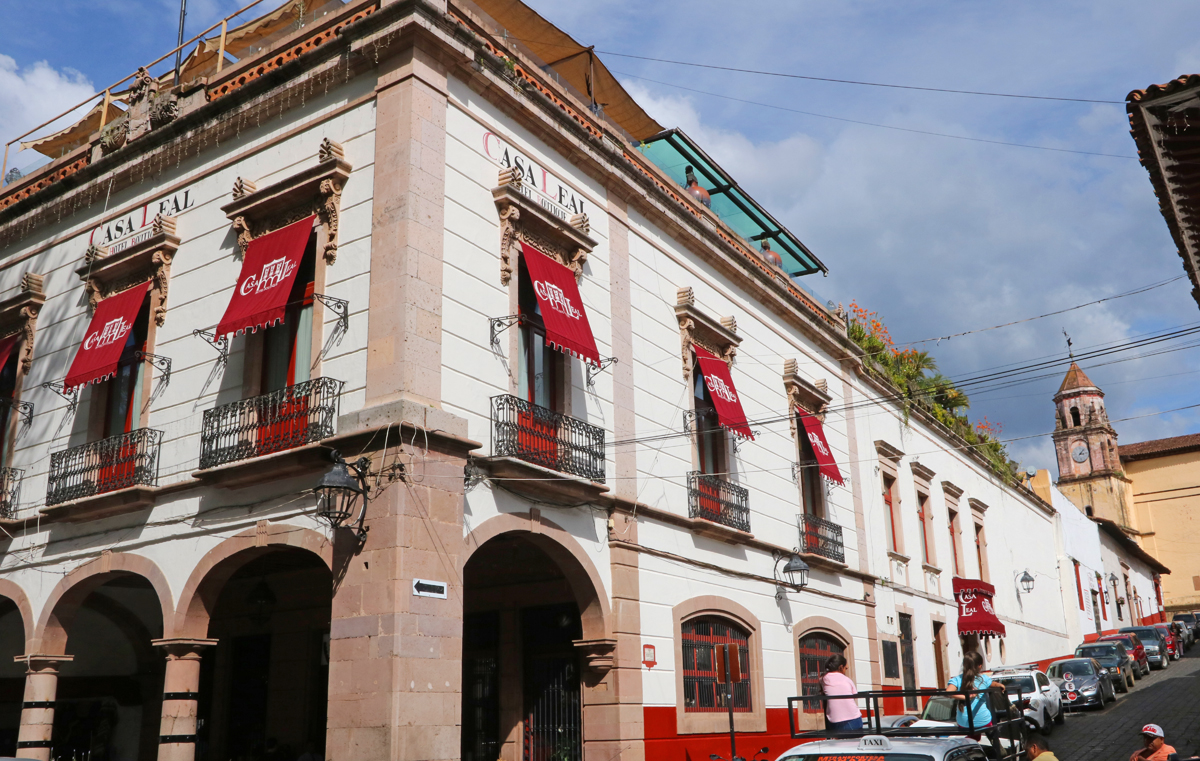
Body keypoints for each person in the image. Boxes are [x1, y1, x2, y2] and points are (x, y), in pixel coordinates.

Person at [946, 651, 992, 740]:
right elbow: (993, 684)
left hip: (964, 723)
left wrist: (966, 697)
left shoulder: (957, 680)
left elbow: (948, 692)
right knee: (989, 724)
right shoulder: (984, 679)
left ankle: (970, 742)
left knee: (973, 731)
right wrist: (1000, 685)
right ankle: (995, 743)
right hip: (984, 721)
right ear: (980, 666)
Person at [820, 654, 863, 732]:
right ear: (841, 667)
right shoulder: (847, 680)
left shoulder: (823, 679)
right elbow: (854, 695)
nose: (845, 670)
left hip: (833, 722)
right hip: (853, 720)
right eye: (845, 668)